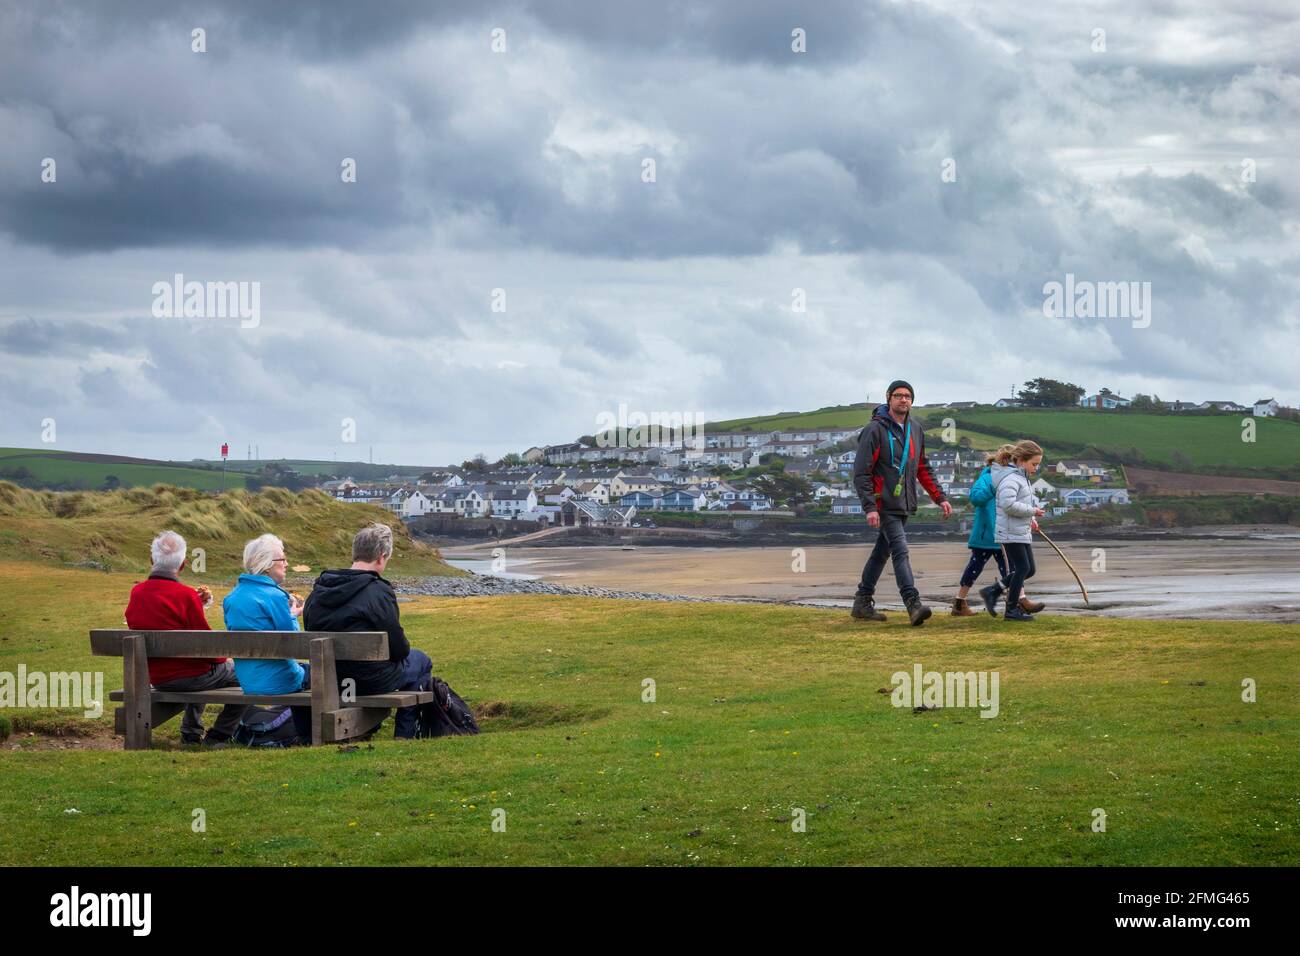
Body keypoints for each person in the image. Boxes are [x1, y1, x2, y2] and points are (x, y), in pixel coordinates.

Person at [302, 523, 432, 739]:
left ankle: (367, 727)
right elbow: (399, 648)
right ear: (381, 557)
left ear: (355, 553)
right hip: (371, 680)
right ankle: (404, 734)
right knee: (421, 661)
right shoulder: (377, 591)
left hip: (331, 679)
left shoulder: (319, 590)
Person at [123, 530, 249, 747]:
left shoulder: (137, 592)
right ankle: (219, 734)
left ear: (152, 559)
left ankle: (191, 733)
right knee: (248, 675)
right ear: (182, 565)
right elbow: (206, 647)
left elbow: (155, 619)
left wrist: (194, 604)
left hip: (157, 677)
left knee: (199, 668)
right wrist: (224, 660)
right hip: (190, 676)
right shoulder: (185, 595)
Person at [850, 380, 952, 626]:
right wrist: (870, 507)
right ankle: (913, 604)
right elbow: (861, 472)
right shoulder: (874, 430)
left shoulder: (915, 429)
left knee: (880, 554)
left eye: (907, 396)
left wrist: (940, 497)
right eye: (898, 396)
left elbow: (921, 467)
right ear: (888, 398)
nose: (903, 400)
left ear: (912, 400)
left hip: (904, 502)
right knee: (900, 550)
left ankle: (862, 602)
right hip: (883, 503)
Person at [222, 533, 312, 744]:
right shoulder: (275, 596)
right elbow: (295, 645)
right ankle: (309, 734)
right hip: (280, 681)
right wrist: (292, 615)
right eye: (282, 559)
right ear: (268, 565)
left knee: (306, 673)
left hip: (248, 680)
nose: (287, 564)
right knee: (322, 674)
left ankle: (287, 728)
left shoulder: (232, 598)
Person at [953, 446, 1045, 617]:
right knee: (975, 568)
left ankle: (1019, 600)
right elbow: (975, 498)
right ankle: (960, 601)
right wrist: (995, 487)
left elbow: (1022, 502)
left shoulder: (1015, 477)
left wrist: (1031, 519)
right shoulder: (989, 477)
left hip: (1004, 532)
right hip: (986, 534)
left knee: (1014, 569)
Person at [989, 440, 1047, 622]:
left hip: (1019, 530)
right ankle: (1011, 610)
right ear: (1021, 460)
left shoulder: (1021, 478)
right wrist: (1033, 511)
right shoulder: (1011, 478)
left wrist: (1032, 519)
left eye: (1038, 464)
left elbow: (1023, 503)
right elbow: (1008, 505)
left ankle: (994, 590)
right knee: (1023, 568)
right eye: (1034, 464)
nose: (1036, 468)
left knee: (1029, 570)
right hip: (1009, 531)